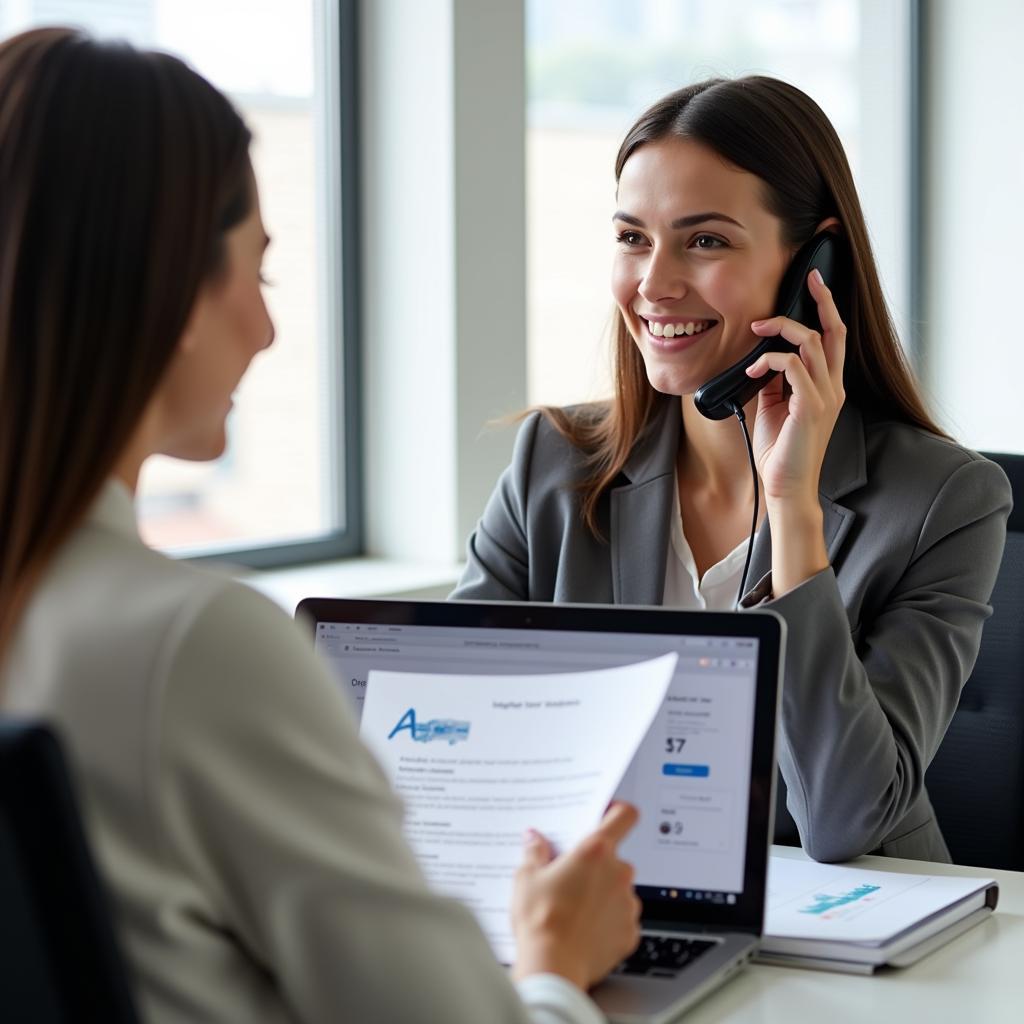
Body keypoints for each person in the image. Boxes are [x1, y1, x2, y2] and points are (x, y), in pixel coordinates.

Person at [0, 28, 642, 1024]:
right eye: (256, 274)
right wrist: (554, 963)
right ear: (171, 286)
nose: (264, 329)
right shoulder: (192, 644)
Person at [453, 76, 1012, 865]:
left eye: (705, 240)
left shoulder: (944, 501)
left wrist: (792, 510)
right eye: (632, 237)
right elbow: (456, 731)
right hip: (604, 906)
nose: (654, 284)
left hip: (852, 944)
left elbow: (848, 818)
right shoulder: (554, 463)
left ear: (811, 264)